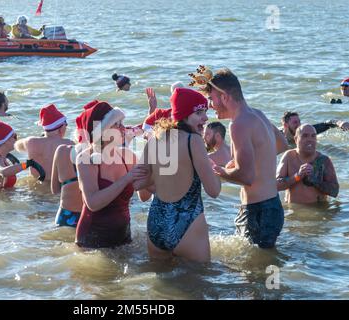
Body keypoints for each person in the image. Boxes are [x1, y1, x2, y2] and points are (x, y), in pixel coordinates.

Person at [134, 87, 221, 263]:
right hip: (187, 224)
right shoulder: (194, 141)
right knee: (200, 284)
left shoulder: (154, 140)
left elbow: (137, 185)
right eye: (199, 112)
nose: (205, 118)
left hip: (156, 223)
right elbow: (214, 191)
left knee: (163, 287)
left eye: (205, 111)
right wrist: (217, 170)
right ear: (184, 115)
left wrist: (160, 179)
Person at [203, 67, 284, 249]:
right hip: (273, 206)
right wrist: (254, 160)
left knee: (251, 275)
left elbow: (246, 177)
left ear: (224, 97)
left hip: (258, 211)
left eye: (211, 99)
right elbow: (281, 144)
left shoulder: (238, 125)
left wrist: (219, 171)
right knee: (263, 269)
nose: (210, 105)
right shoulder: (258, 114)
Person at [75, 102, 152, 248]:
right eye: (116, 124)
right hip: (92, 240)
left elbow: (144, 196)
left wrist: (150, 167)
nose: (123, 128)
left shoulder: (127, 155)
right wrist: (126, 179)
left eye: (122, 123)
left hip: (123, 236)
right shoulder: (86, 158)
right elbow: (93, 203)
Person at [50, 101, 98, 227]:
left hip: (65, 215)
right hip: (89, 217)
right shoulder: (102, 155)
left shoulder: (61, 150)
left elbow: (54, 189)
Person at [276, 124, 339, 204]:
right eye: (305, 136)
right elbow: (276, 186)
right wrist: (297, 176)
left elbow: (335, 191)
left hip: (318, 211)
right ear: (296, 139)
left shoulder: (323, 160)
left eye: (313, 136)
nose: (310, 139)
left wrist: (315, 181)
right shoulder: (289, 156)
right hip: (293, 212)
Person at [15, 104, 72, 183]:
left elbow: (17, 146)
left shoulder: (31, 142)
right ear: (61, 128)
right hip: (57, 186)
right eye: (66, 125)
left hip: (37, 185)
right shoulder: (68, 144)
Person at [0, 115, 41, 189]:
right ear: (5, 141)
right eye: (15, 137)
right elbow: (3, 172)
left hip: (1, 196)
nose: (17, 139)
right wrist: (27, 164)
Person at [280, 111, 349, 147]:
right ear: (285, 125)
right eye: (295, 122)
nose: (299, 125)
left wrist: (340, 123)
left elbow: (327, 124)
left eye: (299, 122)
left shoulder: (305, 131)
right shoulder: (277, 136)